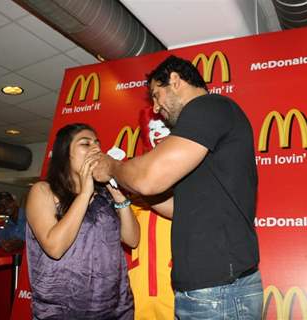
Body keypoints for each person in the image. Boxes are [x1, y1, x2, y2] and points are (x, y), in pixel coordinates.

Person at [93, 55, 263, 319]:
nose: (156, 107)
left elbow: (149, 178)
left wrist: (112, 167)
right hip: (210, 289)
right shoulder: (209, 130)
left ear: (174, 80)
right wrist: (121, 186)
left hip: (218, 291)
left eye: (156, 95)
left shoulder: (207, 107)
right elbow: (177, 208)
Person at [25, 123, 139, 319]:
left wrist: (119, 196)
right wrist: (85, 192)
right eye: (85, 144)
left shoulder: (105, 195)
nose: (96, 149)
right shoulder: (43, 191)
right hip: (62, 310)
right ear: (64, 154)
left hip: (114, 308)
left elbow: (132, 240)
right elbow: (54, 247)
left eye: (97, 143)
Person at [128, 107, 174, 319]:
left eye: (163, 126)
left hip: (177, 282)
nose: (157, 133)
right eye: (152, 128)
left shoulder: (194, 170)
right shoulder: (135, 175)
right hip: (141, 282)